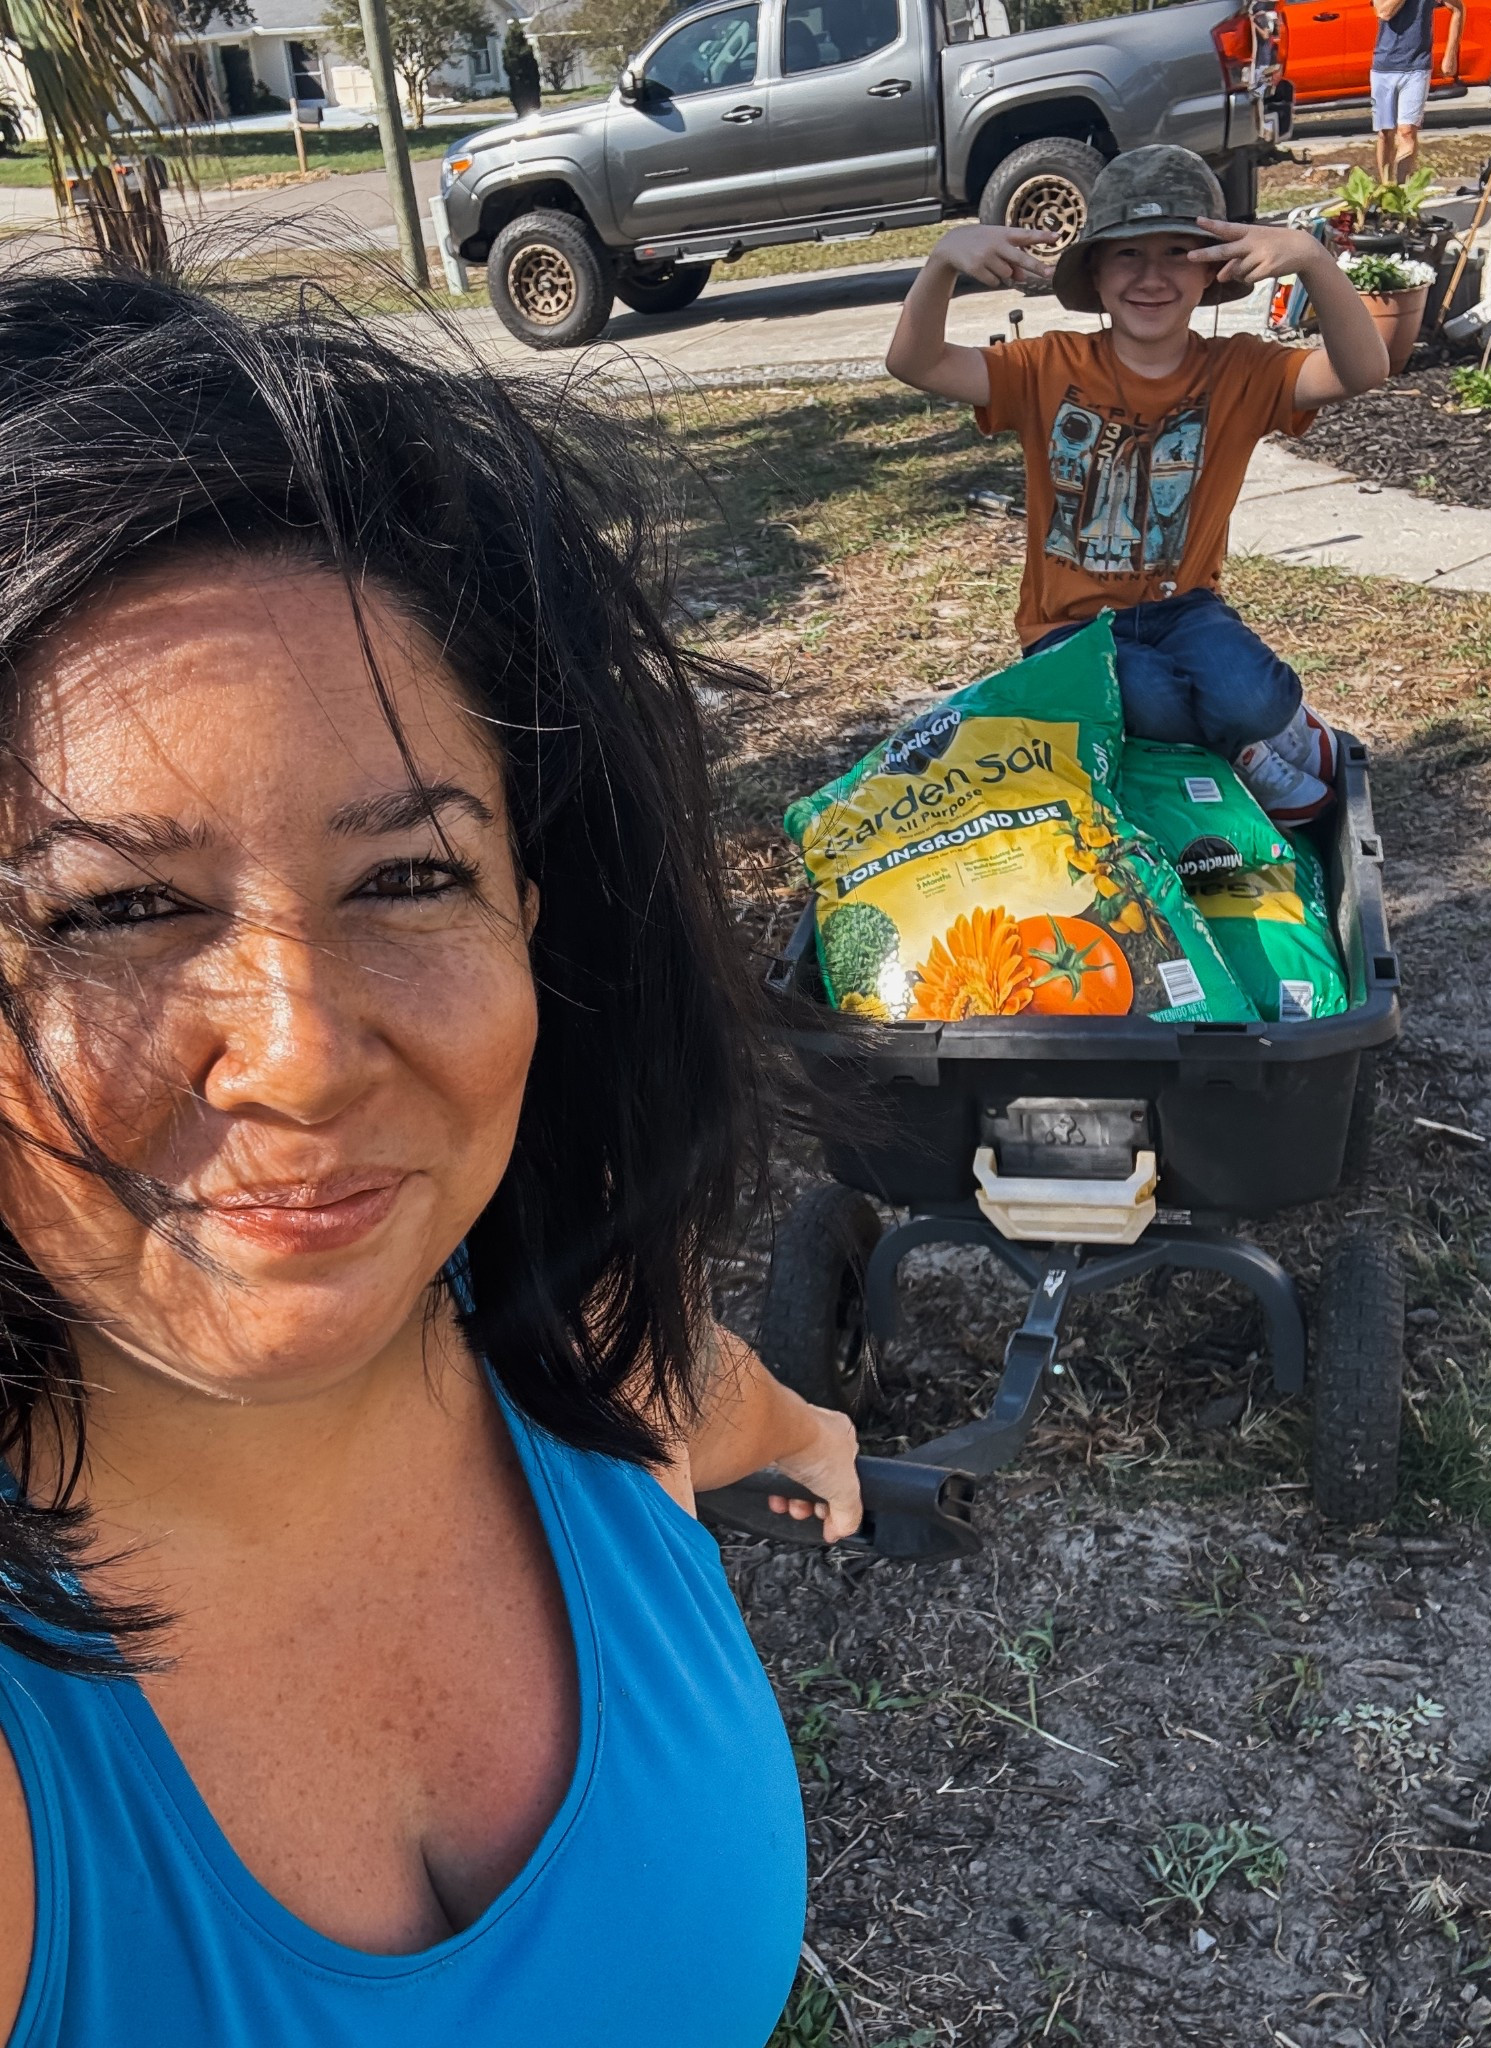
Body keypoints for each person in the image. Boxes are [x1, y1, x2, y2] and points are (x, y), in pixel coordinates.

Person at [0, 267, 861, 2047]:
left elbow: (737, 1401)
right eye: (112, 909)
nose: (303, 1056)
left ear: (534, 922)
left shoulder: (592, 1342)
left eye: (406, 877)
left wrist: (815, 1438)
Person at [885, 146, 1391, 824]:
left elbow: (1361, 370)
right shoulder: (1046, 366)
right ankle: (1247, 755)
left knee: (1254, 700)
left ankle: (1280, 730)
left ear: (1213, 273)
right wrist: (945, 260)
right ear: (1093, 271)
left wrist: (1313, 258)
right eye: (1127, 253)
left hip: (1185, 606)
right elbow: (913, 362)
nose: (1151, 276)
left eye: (1178, 251)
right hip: (1067, 627)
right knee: (1148, 702)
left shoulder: (1242, 370)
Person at [1373, 0, 1463, 185]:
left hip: (1417, 66)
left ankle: (1401, 192)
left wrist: (1451, 54)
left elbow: (1458, 8)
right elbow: (1384, 11)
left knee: (1407, 132)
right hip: (1384, 67)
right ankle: (1386, 188)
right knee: (1385, 132)